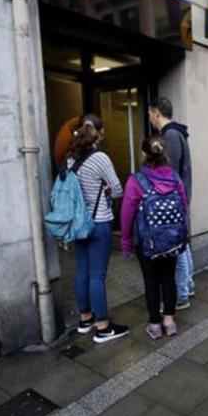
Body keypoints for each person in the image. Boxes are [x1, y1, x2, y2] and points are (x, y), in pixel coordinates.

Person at [67, 114, 128, 344]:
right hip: (99, 222)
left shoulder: (71, 158)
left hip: (78, 223)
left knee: (82, 270)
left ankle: (85, 319)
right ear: (99, 132)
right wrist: (105, 190)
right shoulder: (100, 157)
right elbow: (118, 190)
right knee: (97, 276)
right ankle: (103, 328)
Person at [120, 137, 188, 339]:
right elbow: (184, 207)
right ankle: (170, 321)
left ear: (143, 154)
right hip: (172, 239)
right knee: (169, 278)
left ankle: (155, 325)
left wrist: (126, 243)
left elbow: (126, 214)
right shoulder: (175, 178)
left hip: (146, 241)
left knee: (151, 281)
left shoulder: (136, 180)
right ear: (163, 153)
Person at [149, 97, 195, 311]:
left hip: (174, 201)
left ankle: (182, 294)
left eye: (150, 113)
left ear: (156, 112)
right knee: (182, 244)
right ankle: (188, 286)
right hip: (178, 199)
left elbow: (170, 173)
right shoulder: (176, 133)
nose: (149, 118)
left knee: (179, 248)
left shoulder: (170, 135)